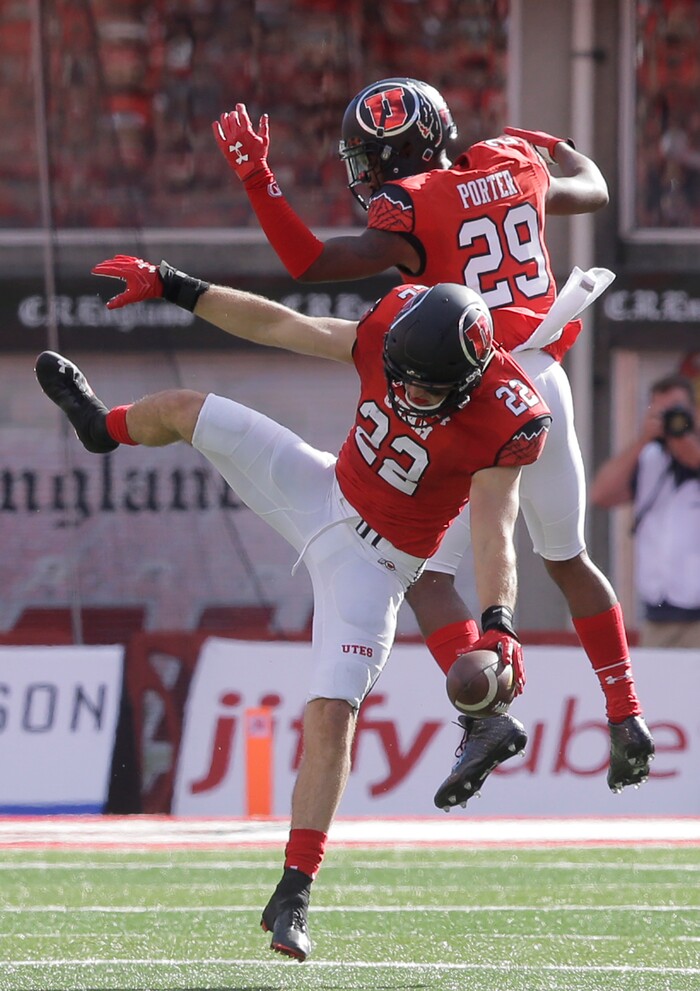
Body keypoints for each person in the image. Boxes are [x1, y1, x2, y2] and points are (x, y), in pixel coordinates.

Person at [35, 256, 552, 961]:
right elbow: (284, 325)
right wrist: (176, 286)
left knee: (331, 709)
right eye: (398, 375)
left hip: (378, 564)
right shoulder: (390, 328)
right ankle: (103, 428)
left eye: (421, 387)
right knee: (188, 409)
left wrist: (499, 623)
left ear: (465, 380)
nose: (402, 392)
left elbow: (495, 529)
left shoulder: (506, 413)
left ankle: (294, 887)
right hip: (322, 487)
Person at [210, 77, 655, 805]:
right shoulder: (509, 162)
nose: (363, 174)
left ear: (397, 153)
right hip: (547, 378)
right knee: (569, 557)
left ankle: (487, 720)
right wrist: (550, 146)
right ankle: (626, 712)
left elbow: (309, 264)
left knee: (426, 573)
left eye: (368, 157)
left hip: (481, 388)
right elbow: (594, 187)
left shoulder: (409, 204)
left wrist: (260, 180)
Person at [591, 373, 700, 649]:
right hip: (657, 616)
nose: (670, 419)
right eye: (660, 411)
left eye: (676, 410)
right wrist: (644, 439)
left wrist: (683, 439)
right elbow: (601, 494)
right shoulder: (649, 459)